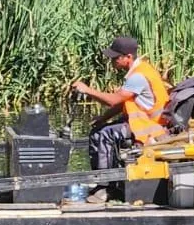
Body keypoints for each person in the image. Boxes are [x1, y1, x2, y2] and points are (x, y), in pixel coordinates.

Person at [72, 35, 171, 173]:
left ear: (128, 57)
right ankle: (97, 177)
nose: (112, 60)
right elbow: (121, 103)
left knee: (106, 134)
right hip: (140, 122)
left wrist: (87, 90)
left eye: (116, 57)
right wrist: (103, 119)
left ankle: (106, 184)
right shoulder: (137, 71)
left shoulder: (138, 76)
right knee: (96, 133)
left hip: (151, 126)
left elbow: (112, 100)